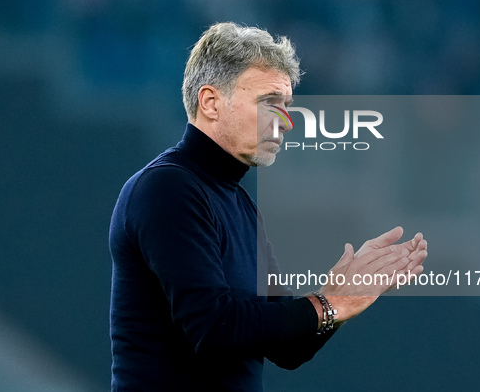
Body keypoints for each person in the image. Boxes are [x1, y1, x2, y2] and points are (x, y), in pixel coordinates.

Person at [109, 22, 428, 391]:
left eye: (287, 106)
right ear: (211, 102)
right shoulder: (168, 188)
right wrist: (331, 301)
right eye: (269, 103)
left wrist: (342, 295)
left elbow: (288, 349)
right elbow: (214, 328)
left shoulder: (238, 202)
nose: (287, 122)